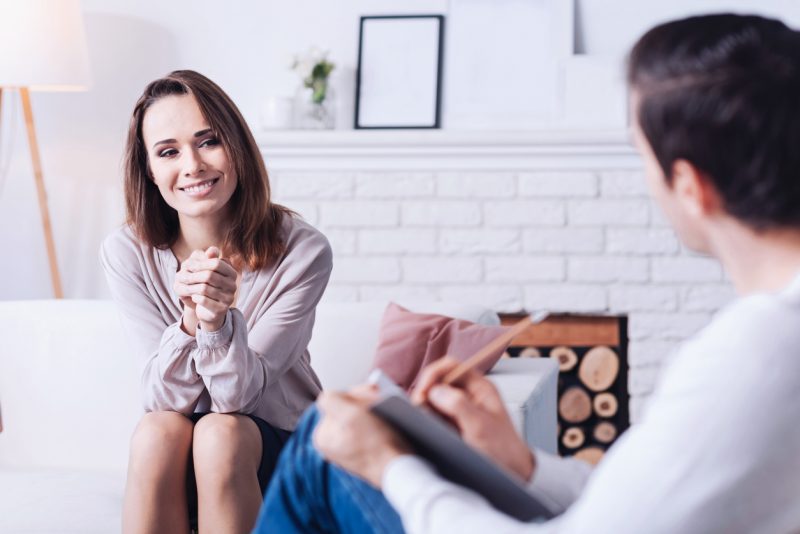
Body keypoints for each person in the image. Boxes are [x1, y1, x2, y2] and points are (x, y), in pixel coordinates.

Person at [253, 13, 800, 533]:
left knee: (320, 442)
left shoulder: (757, 353)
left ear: (689, 185)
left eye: (642, 154)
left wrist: (388, 463)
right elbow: (630, 509)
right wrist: (518, 461)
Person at [99, 70, 332, 533]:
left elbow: (239, 397)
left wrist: (217, 324)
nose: (192, 165)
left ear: (236, 146)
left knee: (219, 432)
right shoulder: (125, 252)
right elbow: (161, 397)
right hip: (179, 449)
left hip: (276, 451)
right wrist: (191, 320)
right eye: (168, 152)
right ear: (150, 169)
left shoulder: (304, 250)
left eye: (208, 142)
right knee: (156, 430)